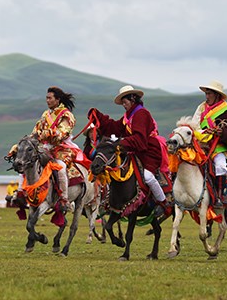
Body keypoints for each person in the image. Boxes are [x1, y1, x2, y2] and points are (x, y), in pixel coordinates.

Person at [88, 85, 170, 216]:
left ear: (132, 99)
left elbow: (139, 138)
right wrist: (99, 117)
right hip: (136, 149)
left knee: (148, 177)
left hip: (149, 149)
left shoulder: (141, 114)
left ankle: (163, 202)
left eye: (125, 102)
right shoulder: (128, 116)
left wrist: (120, 142)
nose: (124, 105)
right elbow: (114, 127)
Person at [9, 86, 82, 211]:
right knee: (26, 162)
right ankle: (21, 193)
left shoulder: (67, 115)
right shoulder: (45, 114)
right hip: (45, 148)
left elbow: (62, 133)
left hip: (61, 148)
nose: (47, 101)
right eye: (46, 98)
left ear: (57, 99)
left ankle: (63, 199)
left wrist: (46, 134)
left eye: (50, 98)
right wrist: (21, 145)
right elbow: (35, 132)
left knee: (60, 168)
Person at [192, 80, 227, 207]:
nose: (207, 97)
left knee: (220, 166)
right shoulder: (201, 108)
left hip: (218, 149)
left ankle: (219, 197)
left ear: (217, 95)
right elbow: (194, 125)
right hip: (201, 146)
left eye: (209, 94)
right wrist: (203, 132)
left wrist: (222, 133)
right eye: (206, 94)